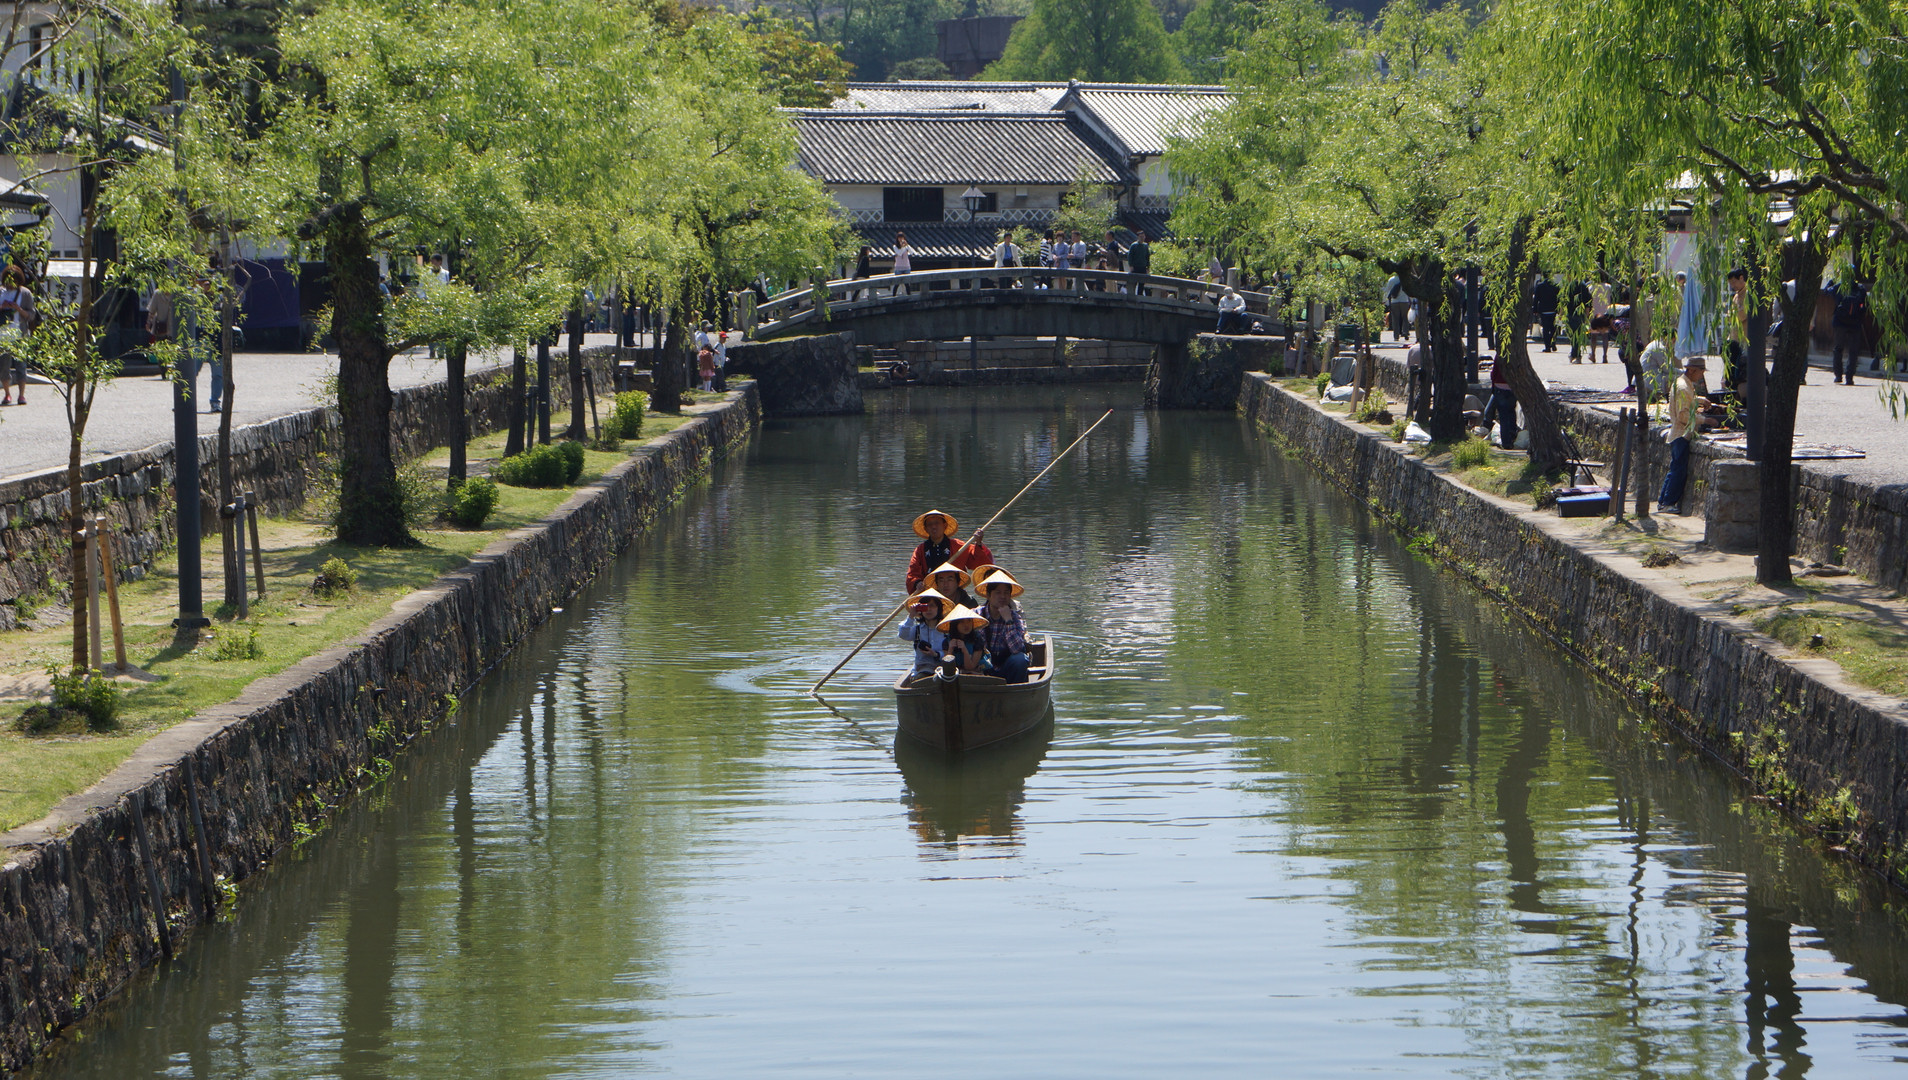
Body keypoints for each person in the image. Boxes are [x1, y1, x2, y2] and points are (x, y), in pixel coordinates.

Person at [904, 509, 993, 594]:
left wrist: (978, 543)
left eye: (937, 523)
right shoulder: (920, 550)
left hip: (954, 594)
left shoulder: (959, 546)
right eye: (930, 524)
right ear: (926, 529)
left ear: (945, 525)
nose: (933, 527)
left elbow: (978, 563)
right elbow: (912, 573)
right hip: (930, 595)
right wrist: (917, 583)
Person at [1659, 355, 1705, 514]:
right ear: (1692, 370)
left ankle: (1663, 501)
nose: (1702, 375)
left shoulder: (1683, 384)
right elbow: (1683, 416)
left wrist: (1701, 401)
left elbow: (1687, 402)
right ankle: (1668, 503)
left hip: (1678, 433)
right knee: (1678, 470)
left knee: (1675, 468)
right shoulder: (1683, 387)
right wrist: (1705, 420)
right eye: (1701, 371)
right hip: (1681, 434)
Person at [977, 569, 1031, 683]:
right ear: (988, 595)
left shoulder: (1014, 617)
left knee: (1020, 660)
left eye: (1006, 593)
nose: (1002, 596)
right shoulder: (977, 615)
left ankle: (1014, 690)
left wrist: (1008, 621)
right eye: (998, 592)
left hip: (1006, 668)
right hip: (982, 668)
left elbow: (1017, 649)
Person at [898, 588, 953, 678]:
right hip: (922, 668)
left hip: (944, 668)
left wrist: (936, 654)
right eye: (925, 606)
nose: (928, 609)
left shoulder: (946, 630)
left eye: (932, 606)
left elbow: (952, 653)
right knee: (922, 676)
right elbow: (902, 634)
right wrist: (911, 616)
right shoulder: (918, 629)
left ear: (939, 608)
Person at [0, 266, 34, 405]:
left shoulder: (25, 293)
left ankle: (21, 395)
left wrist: (18, 308)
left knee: (21, 365)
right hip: (3, 335)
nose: (11, 284)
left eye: (13, 280)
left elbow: (31, 315)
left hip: (20, 333)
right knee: (4, 366)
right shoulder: (1, 291)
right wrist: (2, 307)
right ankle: (7, 394)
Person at [1827, 279, 1870, 384]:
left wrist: (1831, 282)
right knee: (1853, 351)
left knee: (1838, 348)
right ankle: (1849, 377)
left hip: (1840, 322)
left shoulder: (1839, 286)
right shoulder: (1860, 289)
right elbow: (1866, 304)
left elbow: (1826, 291)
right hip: (1855, 323)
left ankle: (1838, 376)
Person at [937, 605, 990, 674]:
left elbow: (970, 667)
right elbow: (947, 667)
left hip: (976, 672)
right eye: (962, 622)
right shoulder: (947, 641)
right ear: (955, 624)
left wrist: (964, 650)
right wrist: (950, 649)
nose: (966, 625)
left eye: (969, 621)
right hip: (956, 673)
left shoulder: (977, 640)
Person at [1482, 357, 1518, 448]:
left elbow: (1494, 373)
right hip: (1512, 387)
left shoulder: (1499, 356)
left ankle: (1506, 442)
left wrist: (1493, 386)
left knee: (1503, 416)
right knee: (1511, 412)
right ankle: (1513, 436)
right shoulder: (1516, 355)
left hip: (1499, 387)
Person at [1532, 273, 1560, 352]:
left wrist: (1535, 310)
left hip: (1544, 310)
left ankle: (1547, 346)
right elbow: (1559, 299)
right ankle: (1552, 342)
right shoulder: (1556, 286)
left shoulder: (1540, 286)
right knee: (1553, 328)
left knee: (1546, 329)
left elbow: (1536, 299)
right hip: (1553, 310)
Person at [1384, 274, 1410, 342]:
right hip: (1404, 300)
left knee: (1395, 319)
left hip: (1394, 301)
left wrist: (1385, 300)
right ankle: (1405, 332)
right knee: (1405, 317)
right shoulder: (1405, 279)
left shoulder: (1391, 279)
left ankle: (1396, 336)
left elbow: (1387, 290)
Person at [1127, 230, 1151, 296]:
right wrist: (1131, 265)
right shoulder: (1134, 245)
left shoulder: (1145, 246)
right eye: (1140, 237)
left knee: (1141, 283)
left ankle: (1139, 296)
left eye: (1143, 236)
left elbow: (1147, 257)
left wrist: (1148, 267)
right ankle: (1132, 296)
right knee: (1133, 282)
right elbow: (1130, 256)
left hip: (1143, 267)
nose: (1142, 238)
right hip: (1135, 267)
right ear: (1138, 237)